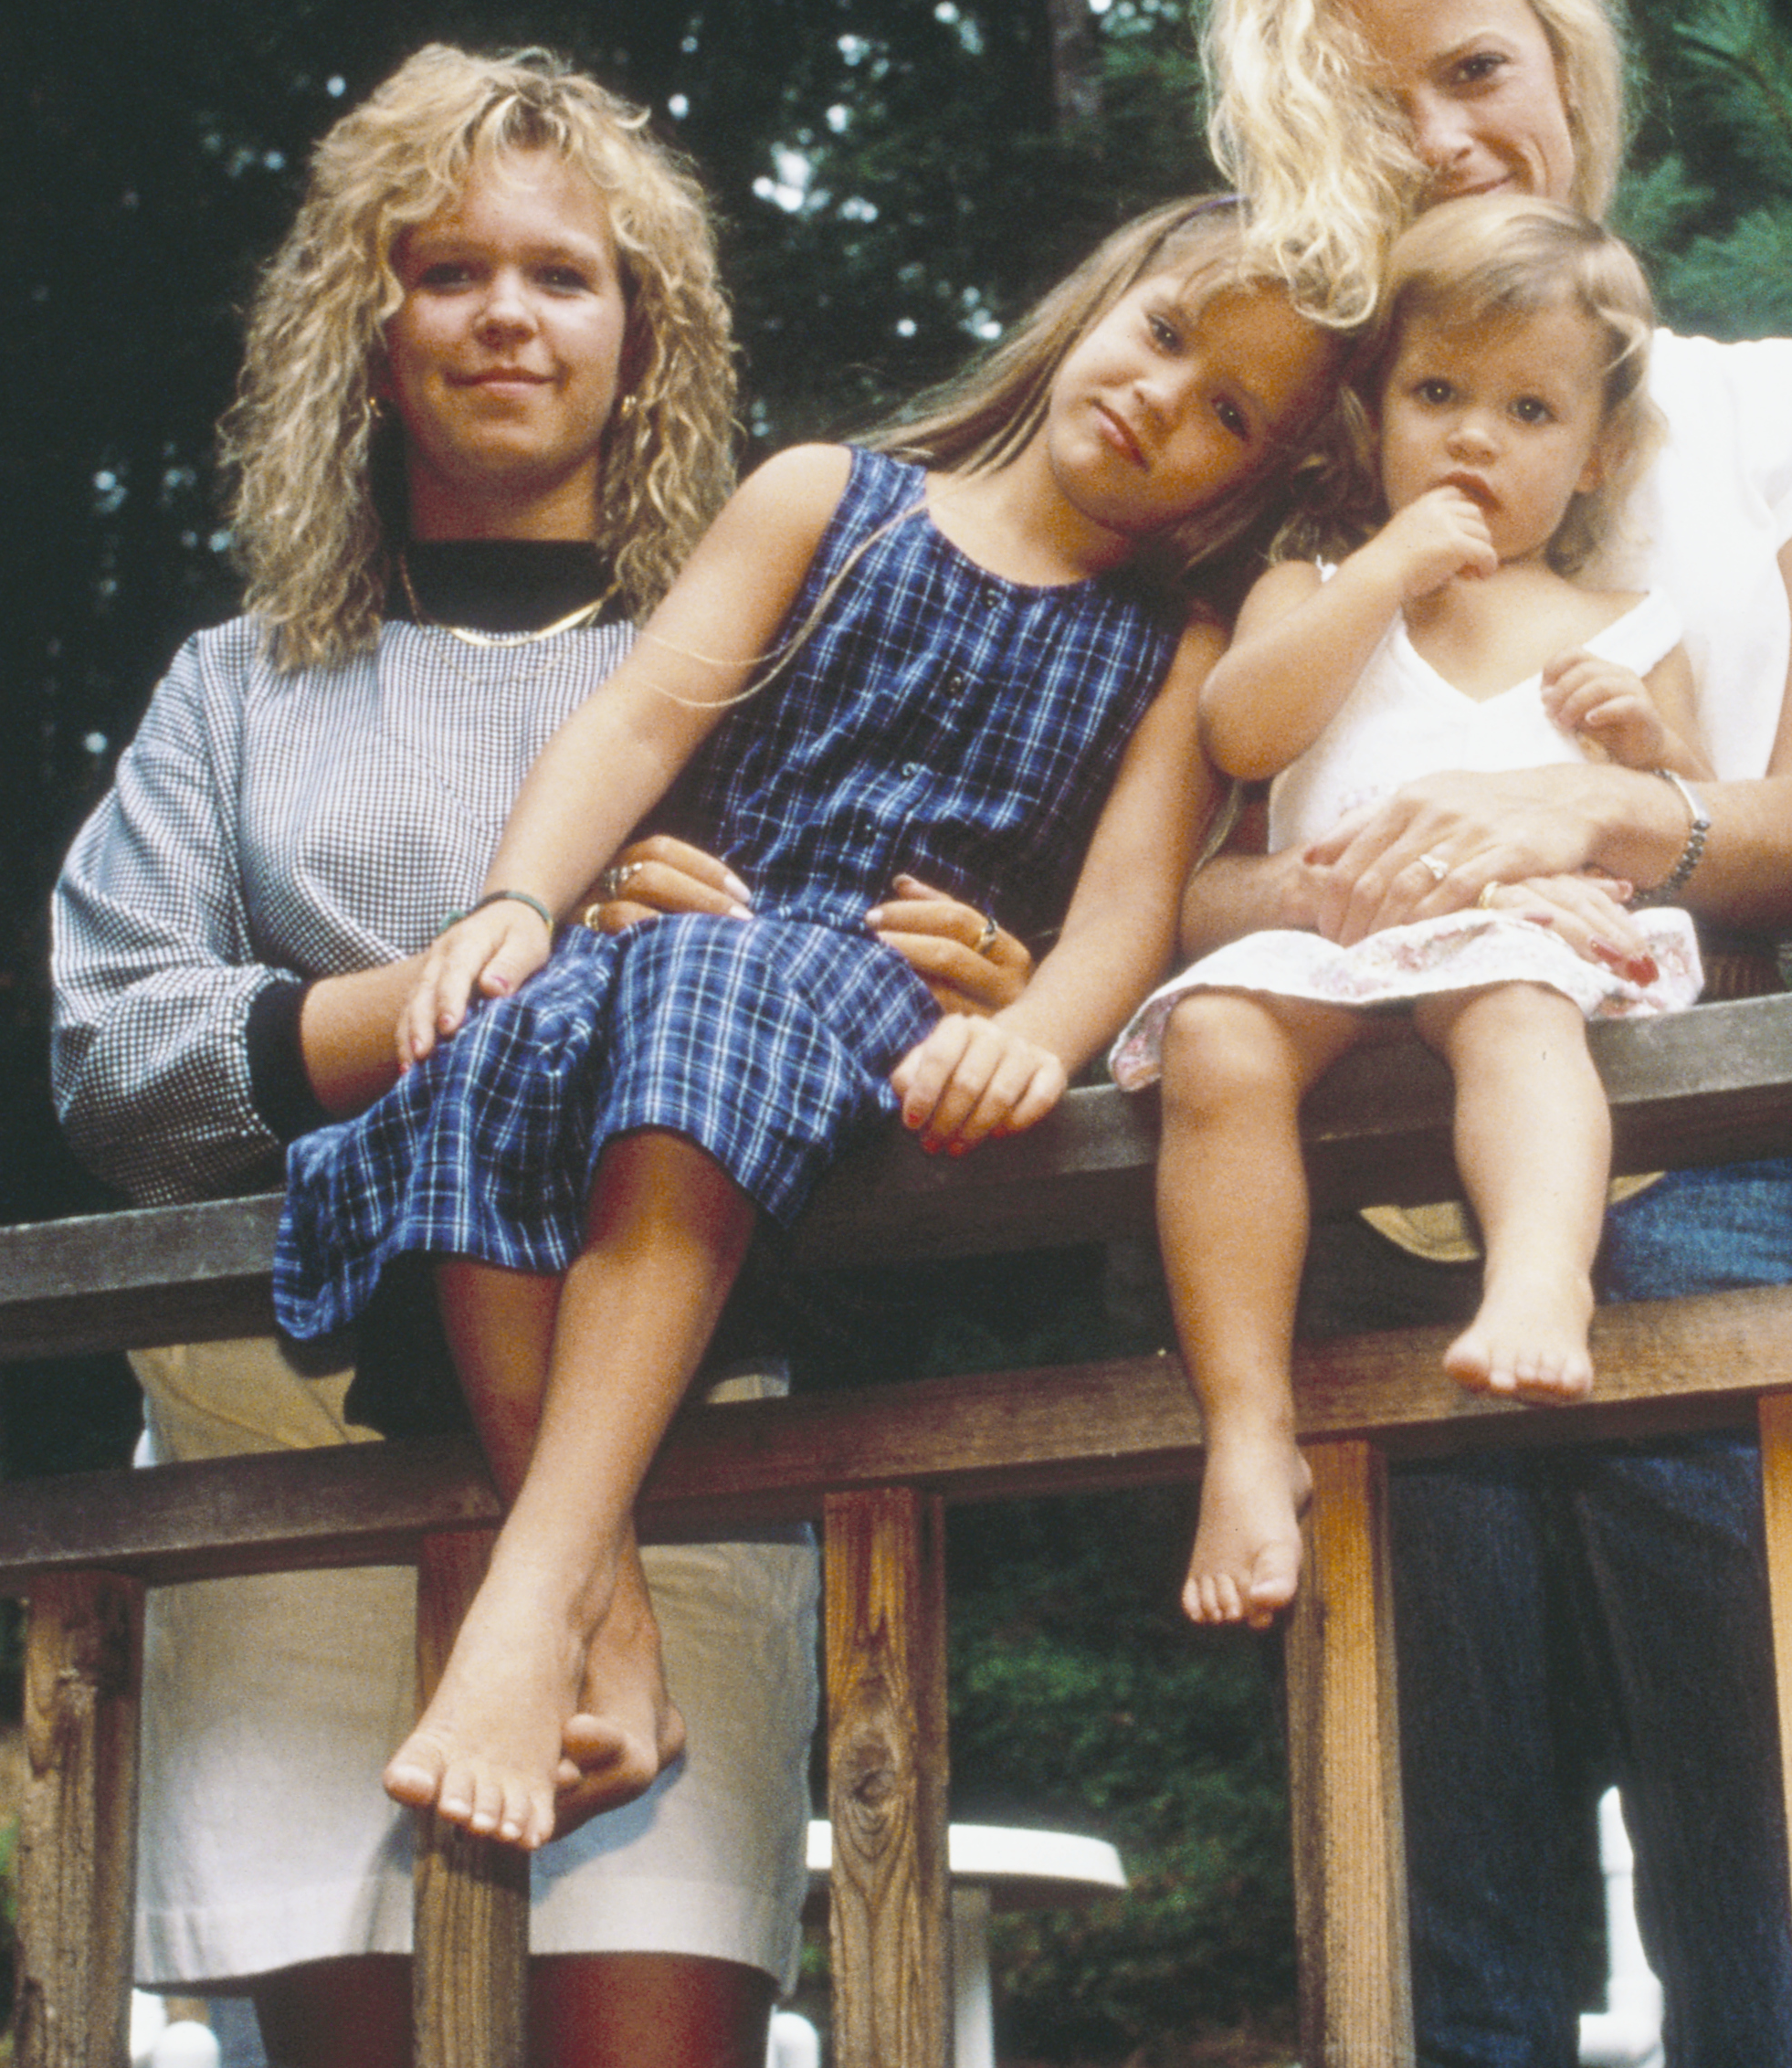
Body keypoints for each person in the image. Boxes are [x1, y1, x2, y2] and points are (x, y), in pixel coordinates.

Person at [54, 46, 1020, 2066]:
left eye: (565, 275)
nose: (508, 314)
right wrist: (468, 998)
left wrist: (983, 985)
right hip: (286, 1450)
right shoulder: (234, 691)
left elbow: (873, 1029)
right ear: (368, 331)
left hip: (690, 1440)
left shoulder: (773, 660)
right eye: (450, 271)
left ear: (642, 334)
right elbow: (118, 1063)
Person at [278, 194, 1346, 1852]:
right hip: (687, 945)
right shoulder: (828, 497)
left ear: (1255, 483)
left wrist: (1039, 1035)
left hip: (870, 986)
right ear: (1097, 301)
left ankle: (526, 1591)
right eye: (1164, 334)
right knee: (492, 1039)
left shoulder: (1171, 645)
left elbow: (1129, 913)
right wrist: (514, 906)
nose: (1162, 397)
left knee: (710, 986)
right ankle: (602, 1620)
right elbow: (639, 715)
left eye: (1230, 414)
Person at [1191, 0, 1792, 2064]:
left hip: (1694, 1139)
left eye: (1479, 66)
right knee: (1439, 1880)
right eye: (1368, 103)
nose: (1444, 133)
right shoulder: (1315, 479)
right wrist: (1369, 888)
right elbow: (1183, 872)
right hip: (1359, 1171)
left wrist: (1589, 800)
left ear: (1574, 71)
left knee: (1757, 1834)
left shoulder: (1780, 406)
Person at [1111, 194, 1707, 1628]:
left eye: (1527, 408)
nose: (1474, 439)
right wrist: (1378, 575)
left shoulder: (1618, 621)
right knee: (1215, 1048)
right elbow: (1245, 736)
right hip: (1329, 936)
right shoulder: (1312, 585)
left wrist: (1636, 739)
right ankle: (1247, 1430)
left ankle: (1538, 1280)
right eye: (1436, 395)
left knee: (1511, 1010)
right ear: (1369, 418)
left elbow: (1690, 809)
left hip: (1517, 937)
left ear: (1597, 451)